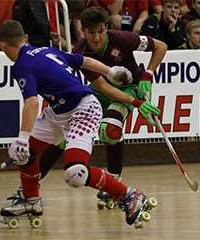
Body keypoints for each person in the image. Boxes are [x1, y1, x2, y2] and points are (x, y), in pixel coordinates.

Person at [0, 20, 159, 228]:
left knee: (75, 173)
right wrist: (109, 72)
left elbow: (31, 102)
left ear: (3, 46)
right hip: (58, 113)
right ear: (24, 38)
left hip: (83, 111)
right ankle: (31, 201)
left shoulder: (21, 66)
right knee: (25, 155)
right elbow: (82, 61)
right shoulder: (45, 50)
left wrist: (22, 137)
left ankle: (129, 195)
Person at [72, 6, 168, 208]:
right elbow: (103, 87)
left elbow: (161, 47)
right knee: (104, 130)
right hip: (101, 91)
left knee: (110, 128)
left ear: (106, 28)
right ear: (83, 31)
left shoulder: (122, 38)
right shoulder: (80, 52)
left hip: (131, 87)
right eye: (91, 33)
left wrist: (148, 75)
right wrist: (137, 104)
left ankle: (114, 181)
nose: (96, 38)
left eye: (100, 31)